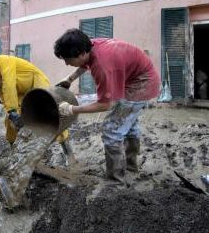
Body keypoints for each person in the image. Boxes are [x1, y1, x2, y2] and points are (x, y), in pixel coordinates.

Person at [54, 29, 160, 184]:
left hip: (141, 85)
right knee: (129, 124)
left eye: (68, 59)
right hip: (137, 76)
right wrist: (70, 79)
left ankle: (115, 180)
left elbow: (105, 104)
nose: (66, 63)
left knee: (111, 130)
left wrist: (71, 109)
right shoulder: (91, 44)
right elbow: (86, 63)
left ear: (82, 53)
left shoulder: (103, 66)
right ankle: (131, 167)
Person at [0, 55, 69, 144]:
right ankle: (12, 145)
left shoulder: (2, 60)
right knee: (9, 120)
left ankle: (65, 144)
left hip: (36, 81)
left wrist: (12, 110)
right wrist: (12, 115)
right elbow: (6, 101)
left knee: (48, 110)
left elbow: (9, 84)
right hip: (20, 93)